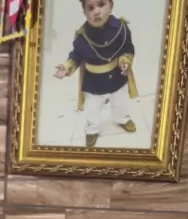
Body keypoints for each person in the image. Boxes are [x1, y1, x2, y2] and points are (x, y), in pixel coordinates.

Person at [55, 0, 138, 148]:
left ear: (111, 6)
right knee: (92, 108)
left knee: (121, 101)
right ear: (84, 12)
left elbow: (127, 47)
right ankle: (92, 129)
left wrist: (125, 60)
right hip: (94, 80)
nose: (97, 12)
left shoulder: (121, 28)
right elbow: (76, 55)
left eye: (101, 4)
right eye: (91, 8)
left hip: (117, 75)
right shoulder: (82, 36)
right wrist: (67, 67)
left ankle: (122, 118)